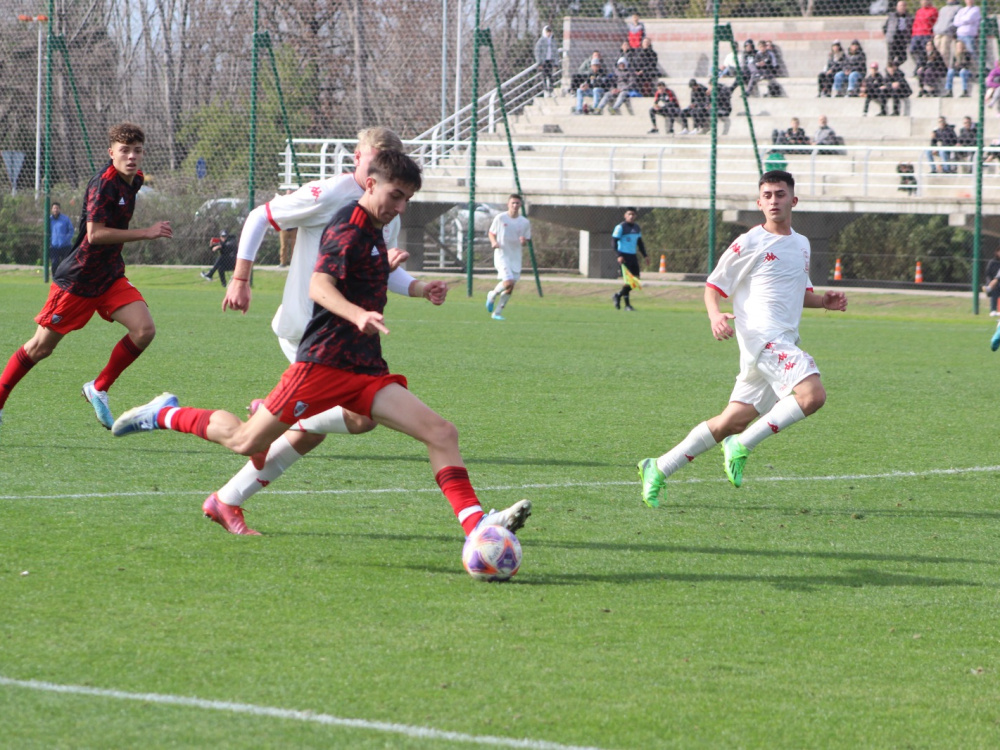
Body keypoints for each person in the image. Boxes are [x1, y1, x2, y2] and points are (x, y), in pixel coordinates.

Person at [111, 150, 532, 543]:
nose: (401, 207)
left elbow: (368, 275)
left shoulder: (374, 229)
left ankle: (477, 527)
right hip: (323, 364)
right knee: (245, 441)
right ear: (370, 184)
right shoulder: (348, 225)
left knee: (439, 432)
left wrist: (420, 288)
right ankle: (162, 413)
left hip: (364, 367)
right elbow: (319, 285)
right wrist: (357, 314)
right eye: (396, 195)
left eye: (408, 199)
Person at [181, 127, 447, 534]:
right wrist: (240, 277)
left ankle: (228, 497)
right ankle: (180, 418)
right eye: (373, 156)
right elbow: (260, 216)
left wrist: (417, 287)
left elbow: (375, 268)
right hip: (310, 332)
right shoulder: (333, 194)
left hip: (343, 339)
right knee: (299, 429)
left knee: (338, 426)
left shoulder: (384, 205)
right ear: (359, 158)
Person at [636, 170, 847, 507]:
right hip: (763, 338)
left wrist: (823, 301)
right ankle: (742, 445)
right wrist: (715, 315)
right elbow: (713, 286)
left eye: (780, 194)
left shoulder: (802, 244)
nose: (774, 201)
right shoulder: (749, 242)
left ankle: (659, 467)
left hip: (779, 342)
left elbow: (798, 293)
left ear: (793, 200)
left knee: (731, 421)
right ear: (759, 202)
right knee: (812, 395)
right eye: (767, 195)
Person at [0, 123, 172, 436]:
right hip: (78, 281)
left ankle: (98, 387)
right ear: (111, 153)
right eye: (124, 151)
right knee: (40, 348)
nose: (131, 156)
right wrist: (146, 233)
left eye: (137, 151)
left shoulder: (135, 180)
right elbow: (95, 234)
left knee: (144, 330)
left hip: (109, 277)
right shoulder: (103, 184)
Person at [486, 195, 531, 321]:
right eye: (513, 203)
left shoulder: (525, 222)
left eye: (517, 203)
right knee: (508, 282)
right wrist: (493, 242)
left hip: (515, 257)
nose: (515, 205)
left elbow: (526, 239)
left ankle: (497, 313)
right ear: (508, 204)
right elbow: (491, 233)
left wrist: (523, 241)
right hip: (502, 255)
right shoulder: (500, 218)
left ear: (520, 205)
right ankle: (492, 294)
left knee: (510, 287)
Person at [611, 207, 647, 311]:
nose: (631, 216)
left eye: (633, 214)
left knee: (636, 280)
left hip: (633, 256)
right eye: (629, 214)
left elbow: (640, 243)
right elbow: (613, 242)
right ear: (625, 215)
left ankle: (618, 295)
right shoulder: (620, 227)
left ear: (635, 216)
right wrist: (619, 255)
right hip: (624, 256)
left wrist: (645, 255)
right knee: (628, 281)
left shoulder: (637, 227)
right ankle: (627, 305)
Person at [48, 201, 74, 279]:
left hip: (65, 246)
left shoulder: (65, 219)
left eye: (57, 208)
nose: (55, 210)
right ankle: (55, 279)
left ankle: (65, 279)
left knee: (65, 264)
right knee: (54, 263)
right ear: (52, 209)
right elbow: (47, 232)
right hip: (54, 246)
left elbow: (71, 231)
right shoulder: (49, 220)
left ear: (59, 209)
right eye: (54, 208)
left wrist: (66, 239)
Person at [910, 0, 939, 69]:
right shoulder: (919, 11)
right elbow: (915, 23)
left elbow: (936, 22)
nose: (923, 2)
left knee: (924, 51)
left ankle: (922, 67)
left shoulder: (933, 10)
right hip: (916, 34)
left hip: (927, 34)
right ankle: (919, 65)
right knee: (912, 50)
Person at [884, 0, 913, 66]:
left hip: (903, 39)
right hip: (893, 38)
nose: (902, 7)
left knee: (903, 57)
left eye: (903, 6)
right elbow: (885, 27)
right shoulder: (892, 16)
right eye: (900, 6)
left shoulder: (909, 17)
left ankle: (894, 67)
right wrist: (889, 35)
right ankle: (889, 69)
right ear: (897, 7)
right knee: (891, 57)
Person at [934, 0, 961, 66]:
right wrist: (935, 28)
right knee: (936, 52)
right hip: (938, 32)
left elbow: (957, 21)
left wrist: (950, 29)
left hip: (947, 33)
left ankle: (946, 67)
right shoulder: (943, 8)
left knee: (944, 52)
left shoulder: (959, 8)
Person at [534, 25, 557, 96]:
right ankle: (545, 90)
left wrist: (556, 63)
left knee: (551, 76)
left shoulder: (553, 41)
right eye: (547, 32)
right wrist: (539, 63)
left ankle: (551, 90)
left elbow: (555, 52)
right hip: (543, 62)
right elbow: (537, 52)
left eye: (550, 32)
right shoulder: (541, 41)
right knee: (544, 76)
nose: (549, 33)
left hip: (550, 61)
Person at [983, 245, 1000, 315]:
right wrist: (989, 282)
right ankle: (993, 310)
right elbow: (988, 274)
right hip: (995, 283)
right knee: (995, 286)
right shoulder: (992, 262)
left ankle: (989, 287)